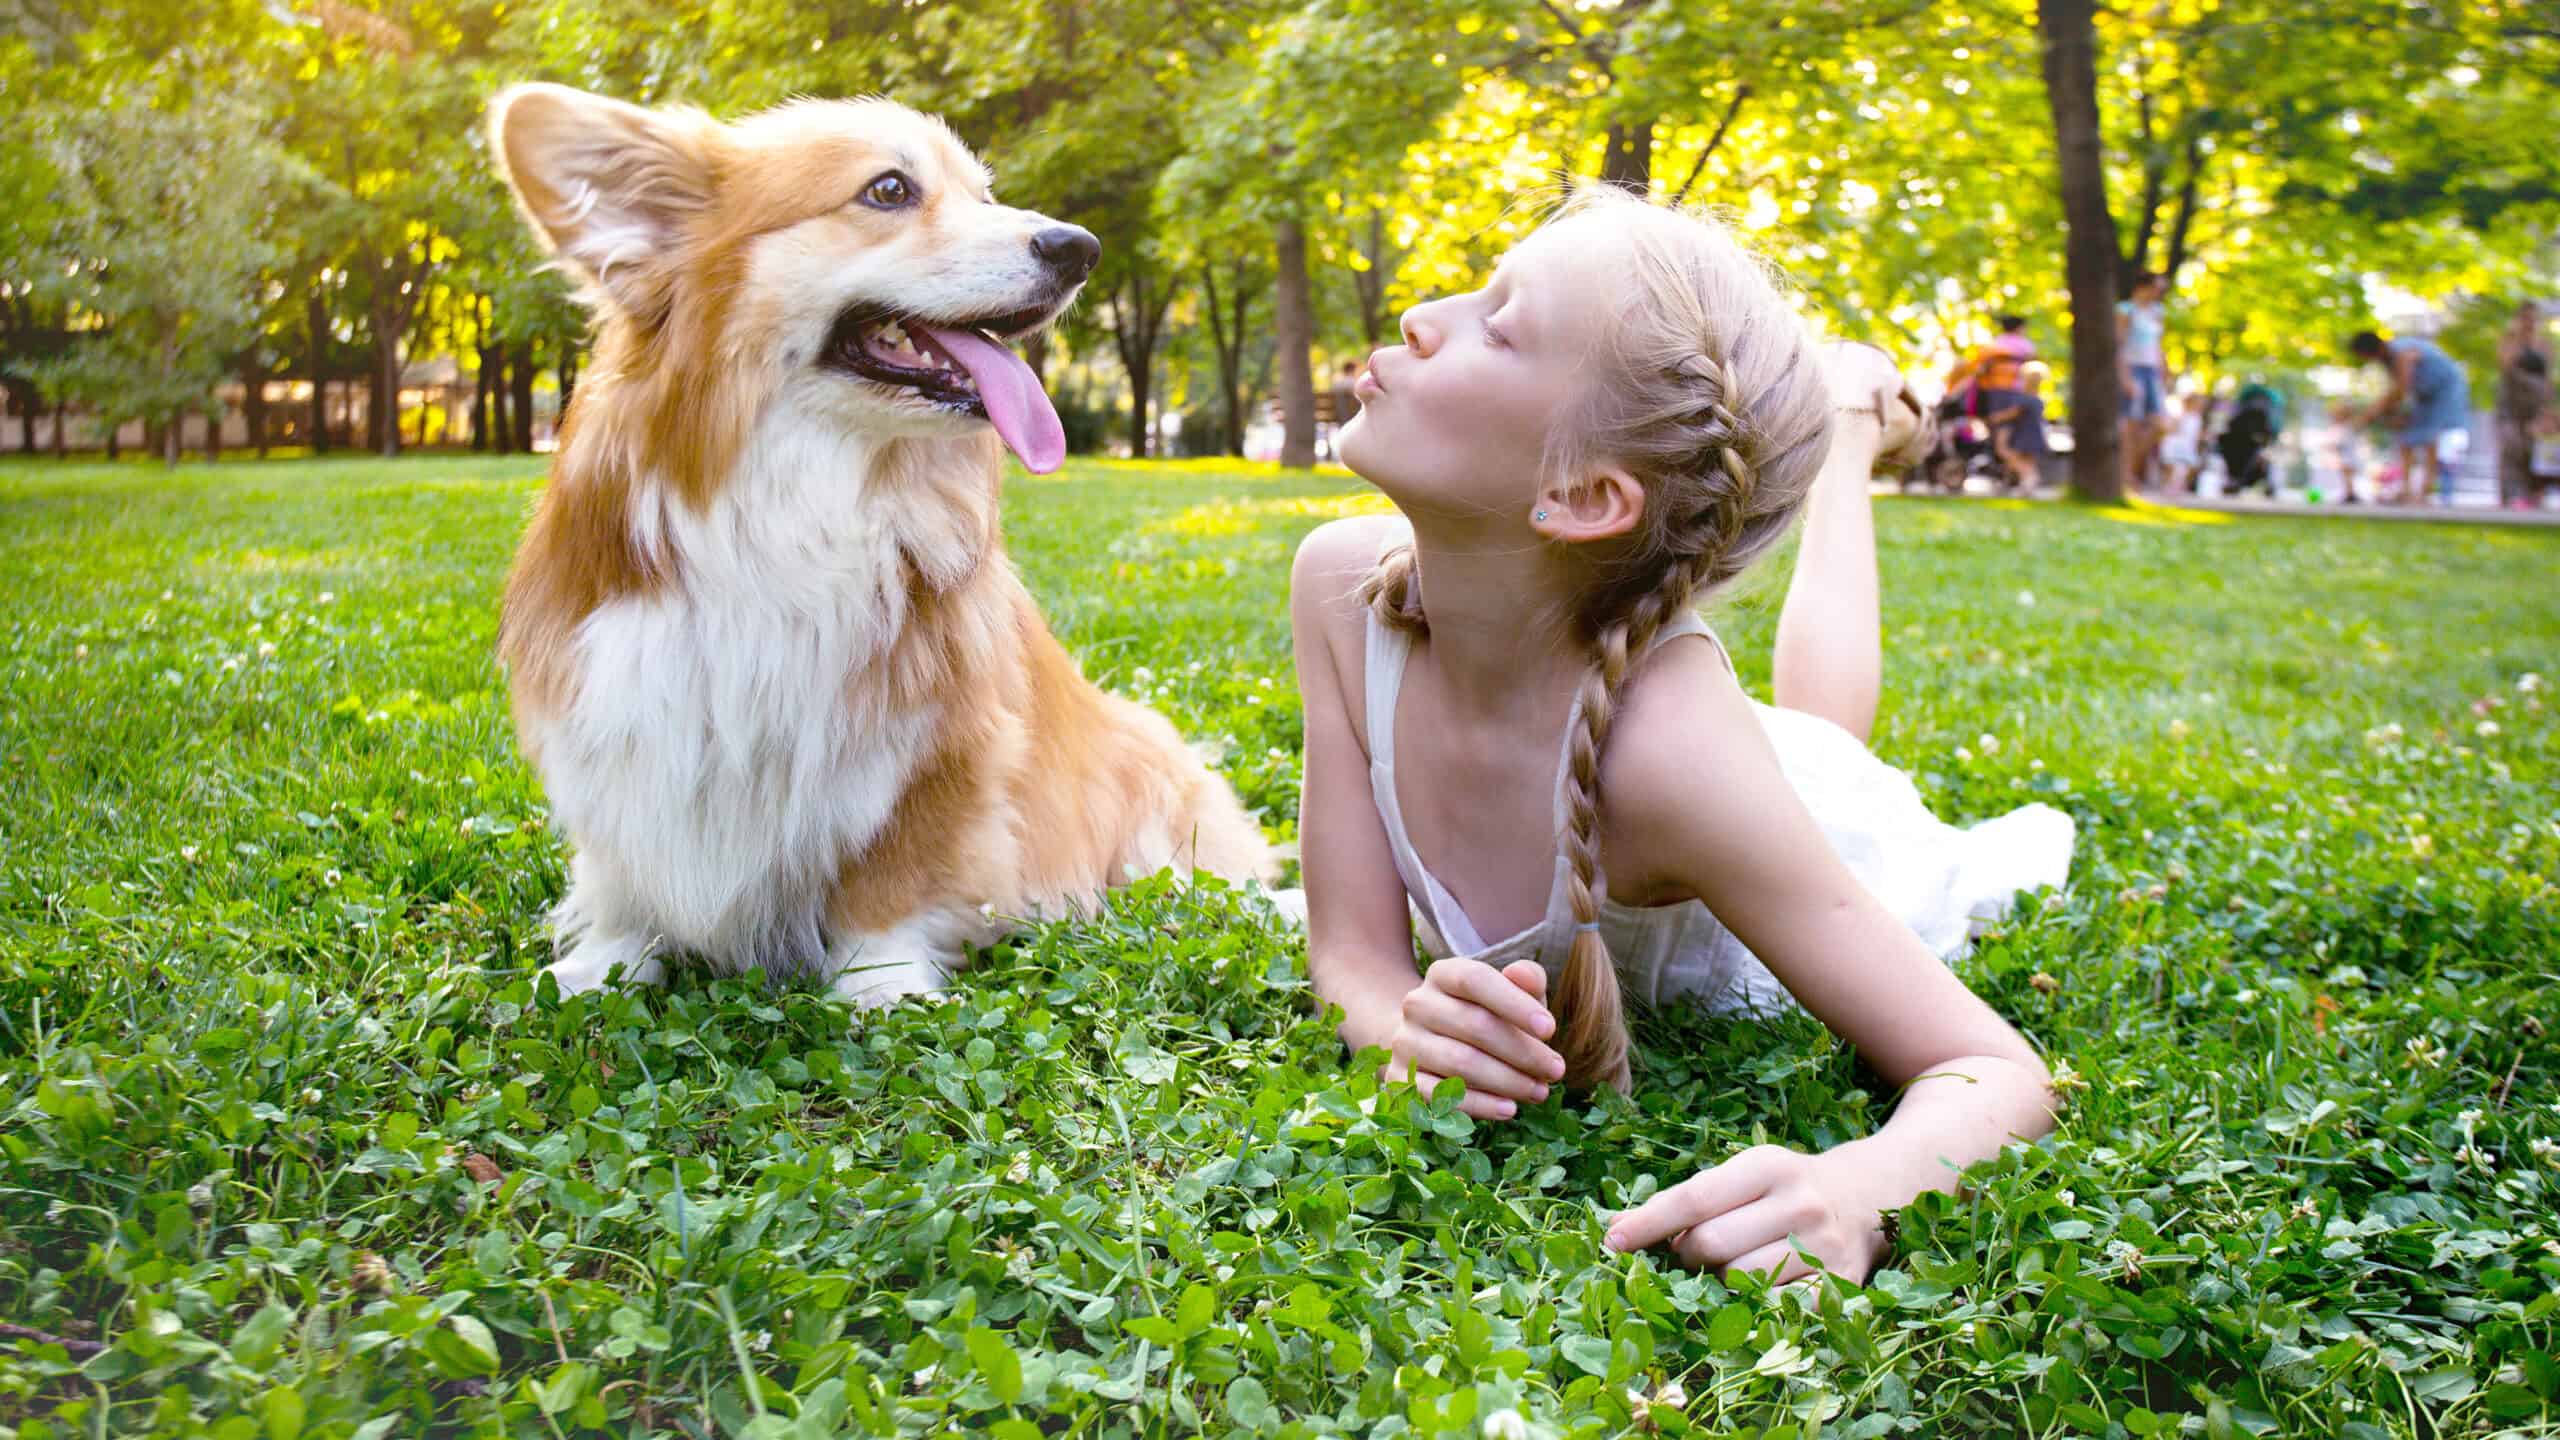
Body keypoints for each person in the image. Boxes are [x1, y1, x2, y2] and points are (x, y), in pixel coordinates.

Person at [1287, 186, 2072, 1286]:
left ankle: (1847, 429)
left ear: (1579, 494)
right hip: (1712, 750)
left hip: (1809, 821)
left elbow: (1991, 1067)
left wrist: (1862, 1187)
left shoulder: (1677, 758)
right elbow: (1354, 955)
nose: (1422, 312)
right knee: (1801, 731)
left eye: (1498, 323)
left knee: (1826, 753)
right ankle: (1845, 414)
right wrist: (1395, 1034)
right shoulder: (1338, 584)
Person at [2344, 330, 2472, 508]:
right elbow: (2400, 392)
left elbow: (2401, 388)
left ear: (2373, 349)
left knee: (2430, 437)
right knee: (2406, 438)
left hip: (2444, 390)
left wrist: (2371, 413)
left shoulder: (2402, 352)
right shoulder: (2387, 361)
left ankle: (2424, 492)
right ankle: (2406, 490)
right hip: (2423, 395)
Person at [2115, 272, 2170, 489]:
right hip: (2133, 368)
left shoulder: (2157, 312)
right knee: (2131, 425)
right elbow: (2119, 345)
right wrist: (2125, 376)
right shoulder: (2125, 310)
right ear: (2143, 287)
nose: (2159, 293)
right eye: (2157, 288)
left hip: (2152, 370)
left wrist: (2165, 367)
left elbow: (2158, 344)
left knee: (2159, 424)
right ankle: (2126, 476)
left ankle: (2129, 469)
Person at [2497, 303, 2550, 510]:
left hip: (2536, 403)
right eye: (2526, 318)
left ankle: (2534, 494)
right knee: (2512, 446)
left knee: (2534, 448)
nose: (2530, 323)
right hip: (2511, 403)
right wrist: (2520, 341)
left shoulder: (2544, 345)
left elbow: (2547, 377)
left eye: (2534, 319)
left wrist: (2547, 409)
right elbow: (2505, 366)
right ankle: (2510, 495)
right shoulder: (2509, 342)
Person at [1989, 362, 2050, 492]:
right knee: (2027, 459)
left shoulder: (2025, 399)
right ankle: (2025, 483)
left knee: (2010, 454)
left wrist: (1996, 417)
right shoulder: (2038, 399)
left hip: (2024, 433)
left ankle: (2029, 477)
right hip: (2034, 433)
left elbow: (2012, 413)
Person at [2158, 391, 2207, 493]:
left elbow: (2196, 434)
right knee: (2171, 466)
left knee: (2192, 466)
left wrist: (2204, 436)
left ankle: (2180, 485)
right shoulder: (2183, 416)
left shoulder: (2198, 418)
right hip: (2178, 444)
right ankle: (2168, 485)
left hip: (2188, 446)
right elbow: (2172, 428)